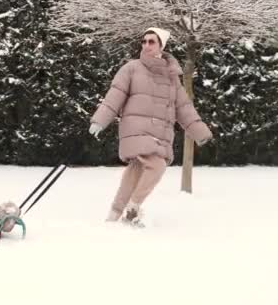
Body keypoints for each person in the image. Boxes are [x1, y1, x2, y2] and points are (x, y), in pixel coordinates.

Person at [88, 27, 213, 226]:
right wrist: (99, 120)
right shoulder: (132, 68)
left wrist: (200, 132)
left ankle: (113, 215)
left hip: (158, 133)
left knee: (135, 171)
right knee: (157, 165)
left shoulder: (172, 77)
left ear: (162, 46)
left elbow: (183, 107)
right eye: (144, 41)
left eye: (151, 41)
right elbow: (115, 96)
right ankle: (133, 209)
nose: (146, 45)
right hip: (136, 129)